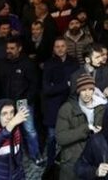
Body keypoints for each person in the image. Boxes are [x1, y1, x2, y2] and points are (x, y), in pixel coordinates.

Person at [0, 36, 44, 166]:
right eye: (7, 48)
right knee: (9, 130)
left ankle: (35, 155)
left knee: (29, 130)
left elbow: (34, 85)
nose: (9, 51)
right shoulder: (1, 64)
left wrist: (26, 101)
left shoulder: (27, 64)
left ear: (19, 48)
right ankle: (14, 157)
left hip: (23, 103)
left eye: (12, 48)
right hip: (6, 103)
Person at [55, 74, 107, 180]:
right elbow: (60, 138)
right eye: (83, 90)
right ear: (78, 91)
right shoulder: (67, 109)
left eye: (90, 89)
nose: (87, 94)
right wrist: (86, 128)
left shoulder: (102, 107)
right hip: (73, 158)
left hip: (93, 158)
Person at [41, 36, 79, 169]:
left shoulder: (74, 63)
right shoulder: (49, 63)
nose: (60, 49)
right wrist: (66, 84)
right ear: (53, 48)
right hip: (53, 106)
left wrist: (57, 86)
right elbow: (47, 89)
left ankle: (68, 161)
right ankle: (51, 163)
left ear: (66, 47)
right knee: (51, 137)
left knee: (70, 135)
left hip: (70, 104)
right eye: (57, 46)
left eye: (62, 46)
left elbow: (76, 84)